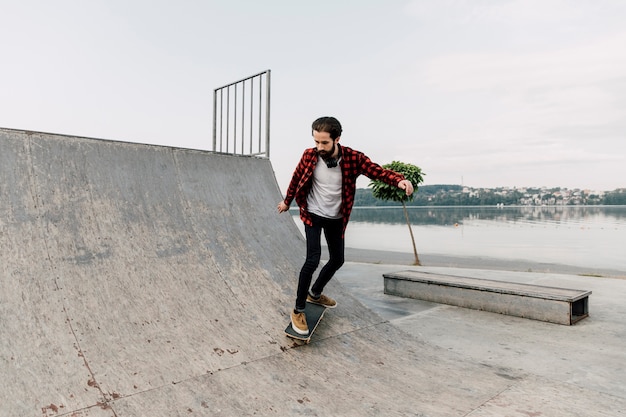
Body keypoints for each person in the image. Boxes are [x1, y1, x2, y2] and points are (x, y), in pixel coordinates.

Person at [277, 116, 414, 335]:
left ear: (337, 139)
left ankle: (315, 292)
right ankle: (298, 309)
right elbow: (296, 178)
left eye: (324, 143)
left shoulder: (353, 158)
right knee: (312, 259)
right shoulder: (309, 155)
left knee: (338, 259)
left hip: (336, 217)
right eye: (316, 142)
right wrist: (287, 201)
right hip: (312, 213)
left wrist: (399, 180)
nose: (319, 147)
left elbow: (376, 171)